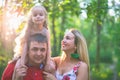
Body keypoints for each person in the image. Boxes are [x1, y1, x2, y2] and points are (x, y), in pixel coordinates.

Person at [12, 4, 55, 80]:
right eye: (35, 15)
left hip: (43, 54)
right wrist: (22, 62)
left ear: (45, 18)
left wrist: (48, 62)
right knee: (18, 66)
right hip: (25, 53)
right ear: (31, 18)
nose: (38, 16)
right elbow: (25, 46)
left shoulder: (46, 31)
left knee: (51, 66)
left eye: (41, 15)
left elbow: (48, 47)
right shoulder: (29, 30)